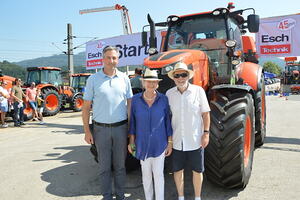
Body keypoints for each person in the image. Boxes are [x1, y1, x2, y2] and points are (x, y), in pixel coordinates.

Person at [82, 46, 133, 200]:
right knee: (104, 167)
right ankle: (106, 196)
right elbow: (85, 108)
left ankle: (120, 195)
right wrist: (87, 131)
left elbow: (129, 104)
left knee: (120, 166)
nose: (112, 61)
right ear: (103, 59)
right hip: (100, 130)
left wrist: (130, 130)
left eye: (114, 58)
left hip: (121, 129)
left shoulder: (124, 78)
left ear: (118, 59)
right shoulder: (93, 79)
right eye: (108, 58)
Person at [166, 62, 210, 200]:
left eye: (183, 75)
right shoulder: (169, 94)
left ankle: (197, 197)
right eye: (177, 75)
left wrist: (206, 133)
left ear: (188, 76)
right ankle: (181, 196)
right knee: (177, 170)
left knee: (197, 170)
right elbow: (166, 117)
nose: (180, 78)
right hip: (177, 140)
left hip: (195, 139)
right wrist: (169, 141)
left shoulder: (198, 91)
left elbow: (205, 114)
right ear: (173, 77)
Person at [128, 68, 173, 200]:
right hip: (142, 144)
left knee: (159, 176)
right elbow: (133, 123)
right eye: (148, 81)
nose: (151, 84)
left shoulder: (164, 99)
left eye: (154, 82)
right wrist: (131, 142)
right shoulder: (135, 100)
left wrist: (169, 142)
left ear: (157, 84)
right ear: (143, 83)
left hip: (160, 144)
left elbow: (167, 123)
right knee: (146, 176)